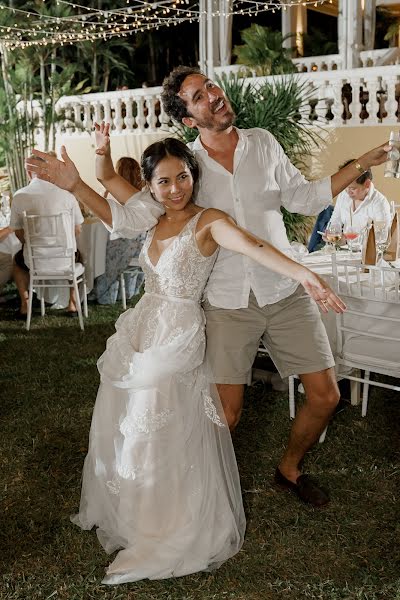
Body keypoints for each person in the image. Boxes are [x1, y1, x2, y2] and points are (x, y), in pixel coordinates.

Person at [26, 138, 344, 584]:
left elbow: (254, 245)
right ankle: (139, 507)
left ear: (194, 176)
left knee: (165, 425)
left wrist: (304, 273)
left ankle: (171, 519)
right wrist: (75, 182)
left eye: (183, 176)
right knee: (134, 424)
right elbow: (112, 207)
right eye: (164, 181)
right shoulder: (151, 216)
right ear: (151, 187)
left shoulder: (209, 221)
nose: (176, 188)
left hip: (177, 335)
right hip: (144, 325)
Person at [92, 67, 390, 507]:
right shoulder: (186, 167)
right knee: (225, 415)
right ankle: (198, 489)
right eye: (197, 96)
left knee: (326, 395)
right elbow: (143, 206)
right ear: (188, 118)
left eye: (210, 85)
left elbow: (305, 198)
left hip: (284, 291)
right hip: (226, 300)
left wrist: (361, 163)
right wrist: (94, 171)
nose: (212, 95)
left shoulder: (264, 142)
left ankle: (289, 469)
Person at [10, 155, 84, 318]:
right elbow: (77, 230)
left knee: (17, 261)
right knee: (80, 256)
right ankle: (72, 304)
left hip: (34, 262)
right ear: (47, 170)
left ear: (29, 173)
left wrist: (30, 244)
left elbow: (18, 232)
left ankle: (25, 304)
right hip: (65, 261)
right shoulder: (67, 195)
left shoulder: (19, 196)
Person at [92, 157, 145, 304]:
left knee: (100, 251)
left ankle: (101, 291)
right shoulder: (142, 194)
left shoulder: (111, 193)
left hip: (122, 243)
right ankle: (129, 290)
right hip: (141, 247)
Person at [328, 159, 391, 240]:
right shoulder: (343, 194)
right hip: (343, 251)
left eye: (352, 188)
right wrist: (333, 233)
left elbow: (382, 236)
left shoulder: (380, 203)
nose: (348, 192)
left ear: (367, 184)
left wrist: (347, 240)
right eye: (345, 187)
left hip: (364, 252)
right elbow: (335, 220)